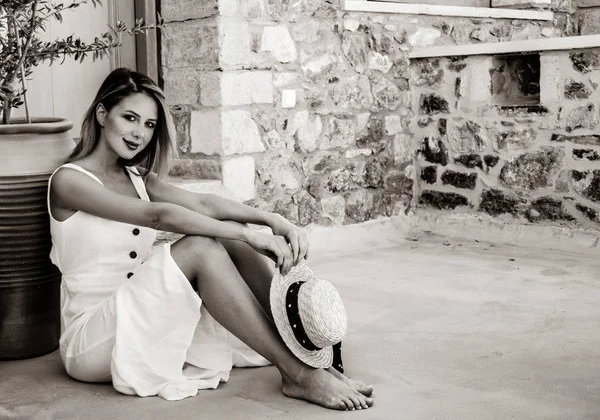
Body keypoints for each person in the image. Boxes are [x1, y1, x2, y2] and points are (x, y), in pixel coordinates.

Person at [47, 68, 374, 410]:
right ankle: (299, 375)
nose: (139, 133)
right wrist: (249, 236)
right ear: (102, 113)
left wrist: (272, 220)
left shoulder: (136, 176)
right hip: (92, 338)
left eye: (149, 124)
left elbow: (204, 204)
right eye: (130, 118)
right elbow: (156, 215)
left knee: (228, 242)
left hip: (143, 314)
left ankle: (306, 358)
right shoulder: (69, 181)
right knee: (203, 245)